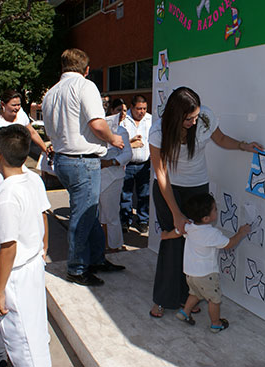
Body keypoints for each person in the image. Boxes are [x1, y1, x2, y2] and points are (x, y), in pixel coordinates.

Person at [148, 86, 262, 317]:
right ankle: (162, 299)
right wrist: (176, 213)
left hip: (197, 187)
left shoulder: (205, 117)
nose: (194, 121)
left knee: (195, 243)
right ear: (176, 115)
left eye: (196, 116)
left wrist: (243, 145)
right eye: (189, 118)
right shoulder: (158, 131)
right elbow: (162, 174)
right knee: (174, 240)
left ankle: (187, 296)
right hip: (168, 188)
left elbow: (220, 138)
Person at [42, 48, 126, 287]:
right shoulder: (85, 86)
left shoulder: (51, 93)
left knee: (89, 214)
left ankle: (97, 259)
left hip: (63, 159)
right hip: (82, 160)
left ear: (62, 68)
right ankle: (77, 268)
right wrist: (113, 139)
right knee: (83, 216)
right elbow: (97, 124)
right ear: (86, 70)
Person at [0, 125, 51, 367]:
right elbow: (43, 218)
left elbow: (8, 247)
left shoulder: (7, 196)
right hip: (31, 265)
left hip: (15, 274)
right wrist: (43, 250)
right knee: (34, 333)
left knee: (23, 343)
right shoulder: (32, 180)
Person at [176, 193, 250, 332]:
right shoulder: (212, 233)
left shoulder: (190, 226)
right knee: (214, 300)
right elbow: (229, 244)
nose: (217, 210)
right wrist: (241, 233)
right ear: (206, 218)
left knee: (195, 293)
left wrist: (166, 235)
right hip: (206, 274)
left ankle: (185, 312)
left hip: (190, 273)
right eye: (215, 209)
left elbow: (178, 231)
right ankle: (216, 323)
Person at [100, 99, 132, 252]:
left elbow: (127, 154)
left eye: (124, 110)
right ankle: (104, 243)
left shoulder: (122, 131)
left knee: (111, 214)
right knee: (102, 215)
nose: (122, 114)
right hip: (97, 176)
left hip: (113, 177)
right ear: (111, 111)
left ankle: (115, 246)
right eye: (118, 110)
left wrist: (111, 162)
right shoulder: (97, 130)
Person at [0, 89, 49, 156]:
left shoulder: (21, 113)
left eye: (19, 105)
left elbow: (32, 132)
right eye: (13, 105)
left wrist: (46, 150)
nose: (17, 108)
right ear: (3, 104)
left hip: (18, 157)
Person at [120, 94, 152, 233]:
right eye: (139, 108)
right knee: (125, 194)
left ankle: (143, 220)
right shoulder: (123, 120)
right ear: (131, 107)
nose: (142, 112)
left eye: (144, 108)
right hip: (127, 164)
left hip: (145, 164)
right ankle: (125, 220)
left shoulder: (151, 119)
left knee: (143, 194)